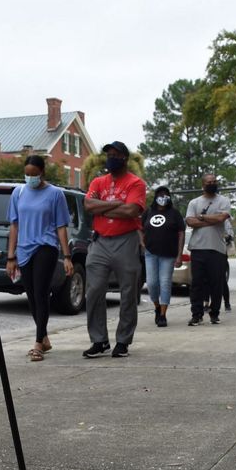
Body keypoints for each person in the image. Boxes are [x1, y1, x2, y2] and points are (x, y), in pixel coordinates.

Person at [82, 142, 147, 358]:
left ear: (125, 158)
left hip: (125, 241)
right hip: (100, 242)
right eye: (108, 154)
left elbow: (131, 211)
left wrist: (103, 206)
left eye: (116, 155)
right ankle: (99, 340)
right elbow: (88, 205)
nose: (111, 158)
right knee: (93, 291)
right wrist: (116, 204)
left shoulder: (136, 183)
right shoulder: (98, 181)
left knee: (128, 293)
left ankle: (123, 341)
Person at [6, 155, 73, 361]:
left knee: (41, 293)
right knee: (32, 296)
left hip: (46, 247)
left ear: (42, 173)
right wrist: (11, 256)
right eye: (27, 174)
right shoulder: (18, 193)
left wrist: (67, 256)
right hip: (24, 249)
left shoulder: (55, 194)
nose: (30, 178)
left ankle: (37, 343)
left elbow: (61, 227)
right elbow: (14, 226)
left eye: (34, 174)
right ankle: (44, 337)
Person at [185, 174, 231, 326]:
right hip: (197, 248)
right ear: (203, 184)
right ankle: (196, 314)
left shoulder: (223, 200)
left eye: (214, 182)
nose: (212, 184)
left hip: (217, 248)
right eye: (209, 182)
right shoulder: (194, 202)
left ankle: (214, 313)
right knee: (197, 284)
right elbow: (190, 221)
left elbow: (221, 219)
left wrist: (202, 218)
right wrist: (211, 219)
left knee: (216, 283)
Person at [141, 186, 185, 327]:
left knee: (165, 282)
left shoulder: (174, 214)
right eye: (160, 194)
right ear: (155, 197)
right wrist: (142, 244)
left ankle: (163, 315)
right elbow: (139, 228)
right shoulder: (148, 212)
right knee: (152, 283)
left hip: (168, 254)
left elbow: (181, 233)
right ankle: (157, 306)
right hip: (150, 253)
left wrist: (179, 255)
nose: (163, 197)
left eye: (166, 195)